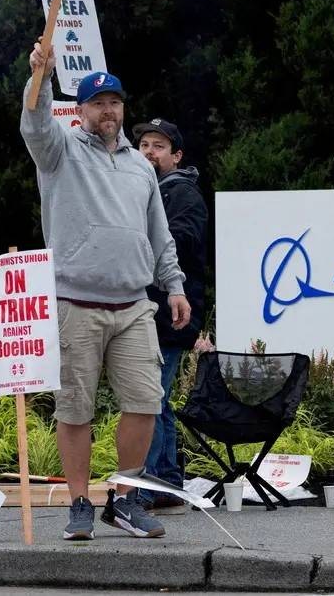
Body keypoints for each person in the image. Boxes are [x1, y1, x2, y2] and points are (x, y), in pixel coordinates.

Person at [20, 46, 191, 541]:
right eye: (97, 103)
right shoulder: (59, 151)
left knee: (146, 402)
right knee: (75, 408)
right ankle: (79, 504)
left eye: (114, 102)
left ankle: (125, 499)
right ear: (80, 111)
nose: (108, 111)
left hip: (135, 304)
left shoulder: (141, 166)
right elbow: (34, 123)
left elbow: (159, 233)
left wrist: (174, 285)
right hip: (75, 303)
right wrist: (41, 76)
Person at [133, 118, 208, 509]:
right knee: (157, 399)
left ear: (176, 156)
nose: (149, 152)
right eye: (144, 144)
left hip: (170, 314)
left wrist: (134, 240)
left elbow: (179, 242)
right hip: (154, 312)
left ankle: (148, 486)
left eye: (158, 146)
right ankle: (165, 482)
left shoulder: (182, 193)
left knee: (149, 399)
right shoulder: (145, 190)